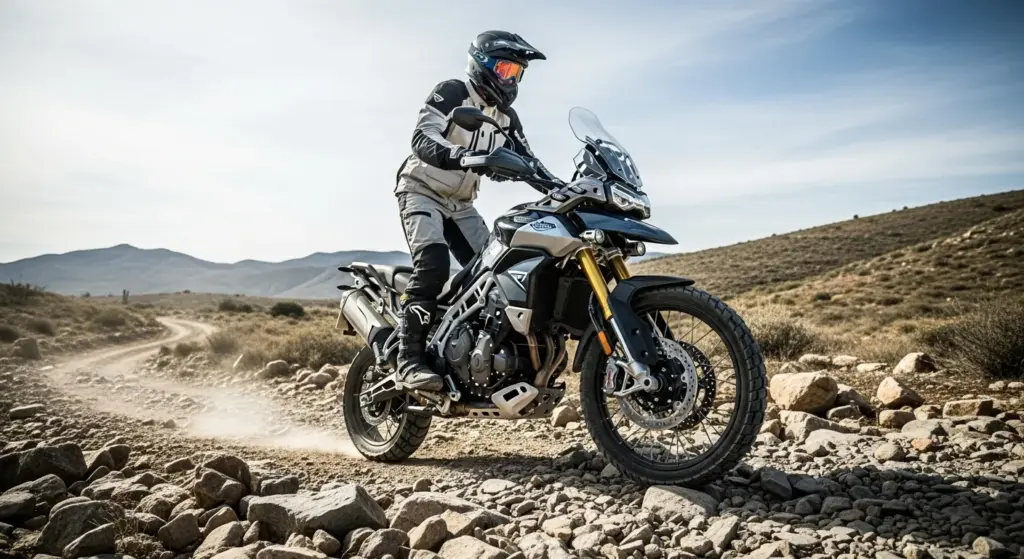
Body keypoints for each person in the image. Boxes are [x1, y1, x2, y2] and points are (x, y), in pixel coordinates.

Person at [393, 30, 562, 391]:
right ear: (482, 65)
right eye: (505, 68)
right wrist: (461, 155)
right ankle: (409, 359)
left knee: (494, 276)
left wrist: (564, 189)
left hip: (462, 205)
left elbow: (530, 164)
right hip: (421, 191)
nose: (511, 79)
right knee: (434, 263)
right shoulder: (453, 92)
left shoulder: (507, 118)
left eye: (517, 73)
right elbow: (422, 137)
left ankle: (464, 349)